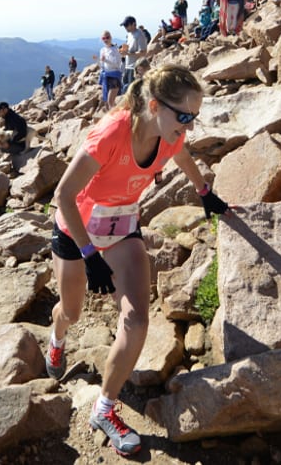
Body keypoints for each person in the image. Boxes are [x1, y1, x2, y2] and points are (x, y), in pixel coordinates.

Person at [43, 65, 230, 456]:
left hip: (122, 227)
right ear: (152, 105)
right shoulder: (112, 134)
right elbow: (63, 194)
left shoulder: (168, 135)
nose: (190, 127)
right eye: (184, 117)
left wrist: (204, 191)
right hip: (77, 227)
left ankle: (104, 408)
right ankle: (57, 337)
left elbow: (183, 156)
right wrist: (89, 253)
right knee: (73, 312)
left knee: (137, 319)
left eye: (194, 118)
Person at [118, 16, 149, 89]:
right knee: (125, 88)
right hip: (127, 66)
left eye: (127, 25)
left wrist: (128, 54)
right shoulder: (129, 34)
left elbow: (143, 52)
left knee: (131, 89)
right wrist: (123, 51)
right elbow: (130, 49)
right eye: (124, 25)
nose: (125, 27)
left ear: (133, 24)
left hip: (135, 68)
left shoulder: (139, 34)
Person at [95, 31, 124, 108]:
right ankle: (116, 116)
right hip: (106, 76)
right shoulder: (102, 50)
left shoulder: (116, 49)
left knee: (110, 101)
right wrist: (98, 61)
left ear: (111, 38)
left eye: (107, 37)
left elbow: (117, 64)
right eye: (103, 38)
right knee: (108, 103)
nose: (105, 40)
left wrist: (106, 60)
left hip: (114, 76)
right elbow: (102, 66)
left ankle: (116, 118)